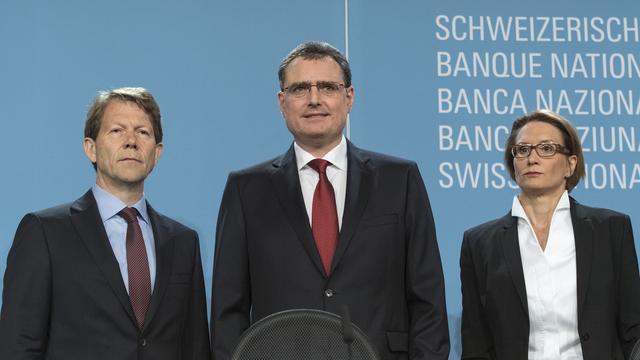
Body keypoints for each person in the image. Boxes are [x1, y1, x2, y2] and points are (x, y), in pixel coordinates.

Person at [210, 41, 450, 360]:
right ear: (282, 102)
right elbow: (228, 311)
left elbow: (428, 300)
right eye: (299, 89)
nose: (314, 99)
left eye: (327, 87)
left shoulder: (400, 179)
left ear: (348, 97)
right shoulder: (245, 189)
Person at [0, 87, 211, 360]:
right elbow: (18, 346)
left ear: (157, 153)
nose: (131, 141)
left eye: (143, 132)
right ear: (91, 148)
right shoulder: (45, 233)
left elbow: (196, 349)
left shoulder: (183, 242)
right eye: (117, 131)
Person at [460, 110, 640, 360]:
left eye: (546, 148)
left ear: (571, 164)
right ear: (513, 164)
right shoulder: (479, 243)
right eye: (522, 150)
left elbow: (633, 328)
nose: (532, 158)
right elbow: (476, 343)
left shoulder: (610, 229)